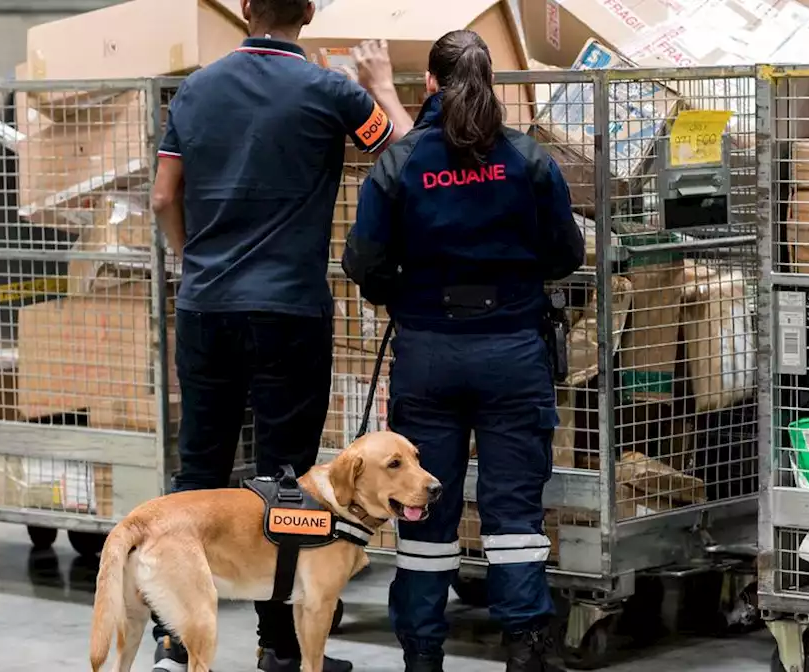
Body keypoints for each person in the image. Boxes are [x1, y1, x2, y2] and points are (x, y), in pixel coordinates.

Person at [148, 0, 414, 669]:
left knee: (200, 468)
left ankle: (176, 641)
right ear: (311, 10)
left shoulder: (196, 90)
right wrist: (380, 83)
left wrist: (191, 261)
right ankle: (281, 646)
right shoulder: (330, 90)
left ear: (244, 9)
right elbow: (406, 162)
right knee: (286, 481)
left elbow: (161, 196)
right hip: (290, 311)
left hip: (206, 309)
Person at [342, 29, 585, 672]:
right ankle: (526, 644)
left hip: (428, 353)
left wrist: (406, 293)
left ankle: (423, 652)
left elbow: (361, 261)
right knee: (514, 509)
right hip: (513, 351)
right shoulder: (529, 160)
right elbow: (566, 255)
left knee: (422, 503)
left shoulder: (399, 163)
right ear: (491, 85)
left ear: (427, 84)